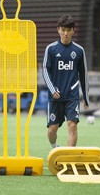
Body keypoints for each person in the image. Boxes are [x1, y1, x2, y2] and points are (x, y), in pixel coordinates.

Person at [42, 14, 90, 148]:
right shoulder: (50, 49)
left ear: (73, 30)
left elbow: (83, 75)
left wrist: (85, 98)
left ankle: (68, 158)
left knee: (72, 125)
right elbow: (45, 71)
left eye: (69, 30)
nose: (66, 33)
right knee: (52, 129)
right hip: (55, 97)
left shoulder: (79, 51)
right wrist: (52, 90)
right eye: (63, 30)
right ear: (58, 30)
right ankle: (55, 148)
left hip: (72, 96)